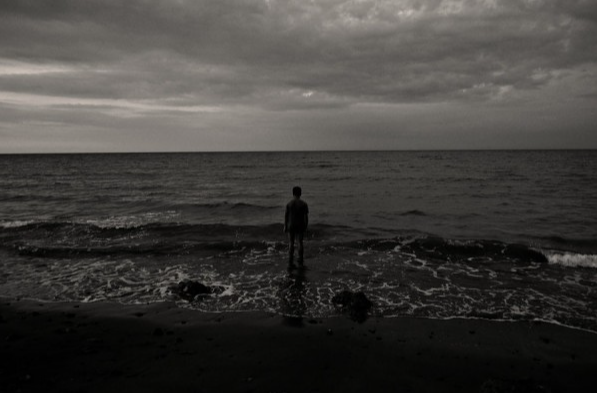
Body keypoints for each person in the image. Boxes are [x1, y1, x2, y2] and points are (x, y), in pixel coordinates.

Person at [284, 186, 309, 268]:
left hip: (291, 224)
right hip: (300, 224)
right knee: (299, 242)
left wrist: (285, 226)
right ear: (300, 193)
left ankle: (290, 259)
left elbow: (286, 216)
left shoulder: (289, 204)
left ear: (293, 193)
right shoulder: (304, 204)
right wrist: (306, 226)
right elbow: (306, 217)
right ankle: (300, 259)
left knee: (291, 242)